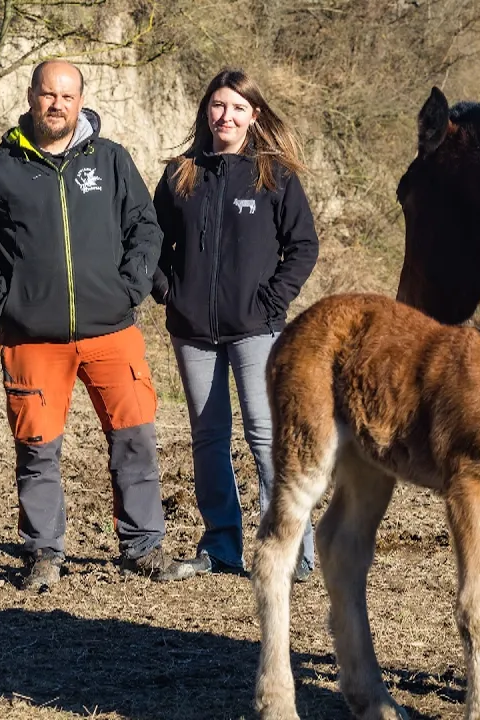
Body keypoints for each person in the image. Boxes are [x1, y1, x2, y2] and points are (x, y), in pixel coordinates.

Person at [0, 60, 186, 590]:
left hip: (111, 331)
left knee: (135, 438)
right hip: (32, 337)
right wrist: (4, 301)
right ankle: (44, 553)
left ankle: (143, 547)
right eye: (48, 94)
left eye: (67, 96)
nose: (57, 104)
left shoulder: (111, 159)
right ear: (31, 96)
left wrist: (130, 288)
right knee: (37, 447)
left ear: (81, 101)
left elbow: (145, 228)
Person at [152, 68, 319, 580]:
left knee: (266, 435)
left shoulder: (275, 176)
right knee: (208, 438)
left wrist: (271, 301)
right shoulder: (181, 173)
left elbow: (303, 247)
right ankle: (221, 546)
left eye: (238, 108)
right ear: (207, 110)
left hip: (256, 329)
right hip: (192, 331)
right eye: (219, 106)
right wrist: (167, 290)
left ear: (254, 115)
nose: (227, 116)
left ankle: (292, 551)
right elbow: (151, 241)